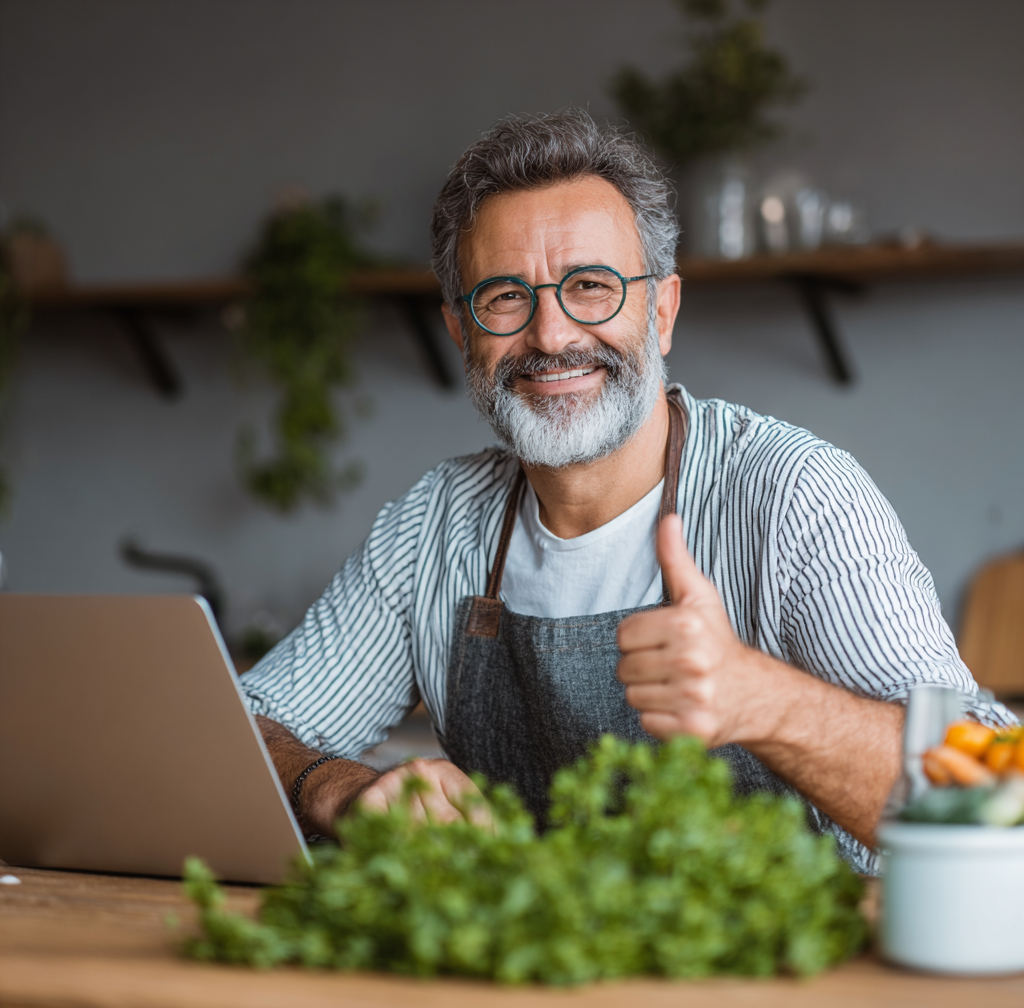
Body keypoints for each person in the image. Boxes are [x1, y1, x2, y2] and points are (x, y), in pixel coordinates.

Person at [244, 109, 1011, 873]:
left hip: (788, 950)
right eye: (506, 297)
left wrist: (769, 703)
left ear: (663, 310)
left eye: (591, 286)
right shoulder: (433, 528)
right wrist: (335, 789)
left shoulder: (793, 496)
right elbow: (238, 730)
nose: (552, 336)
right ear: (460, 331)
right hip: (523, 950)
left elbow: (995, 793)